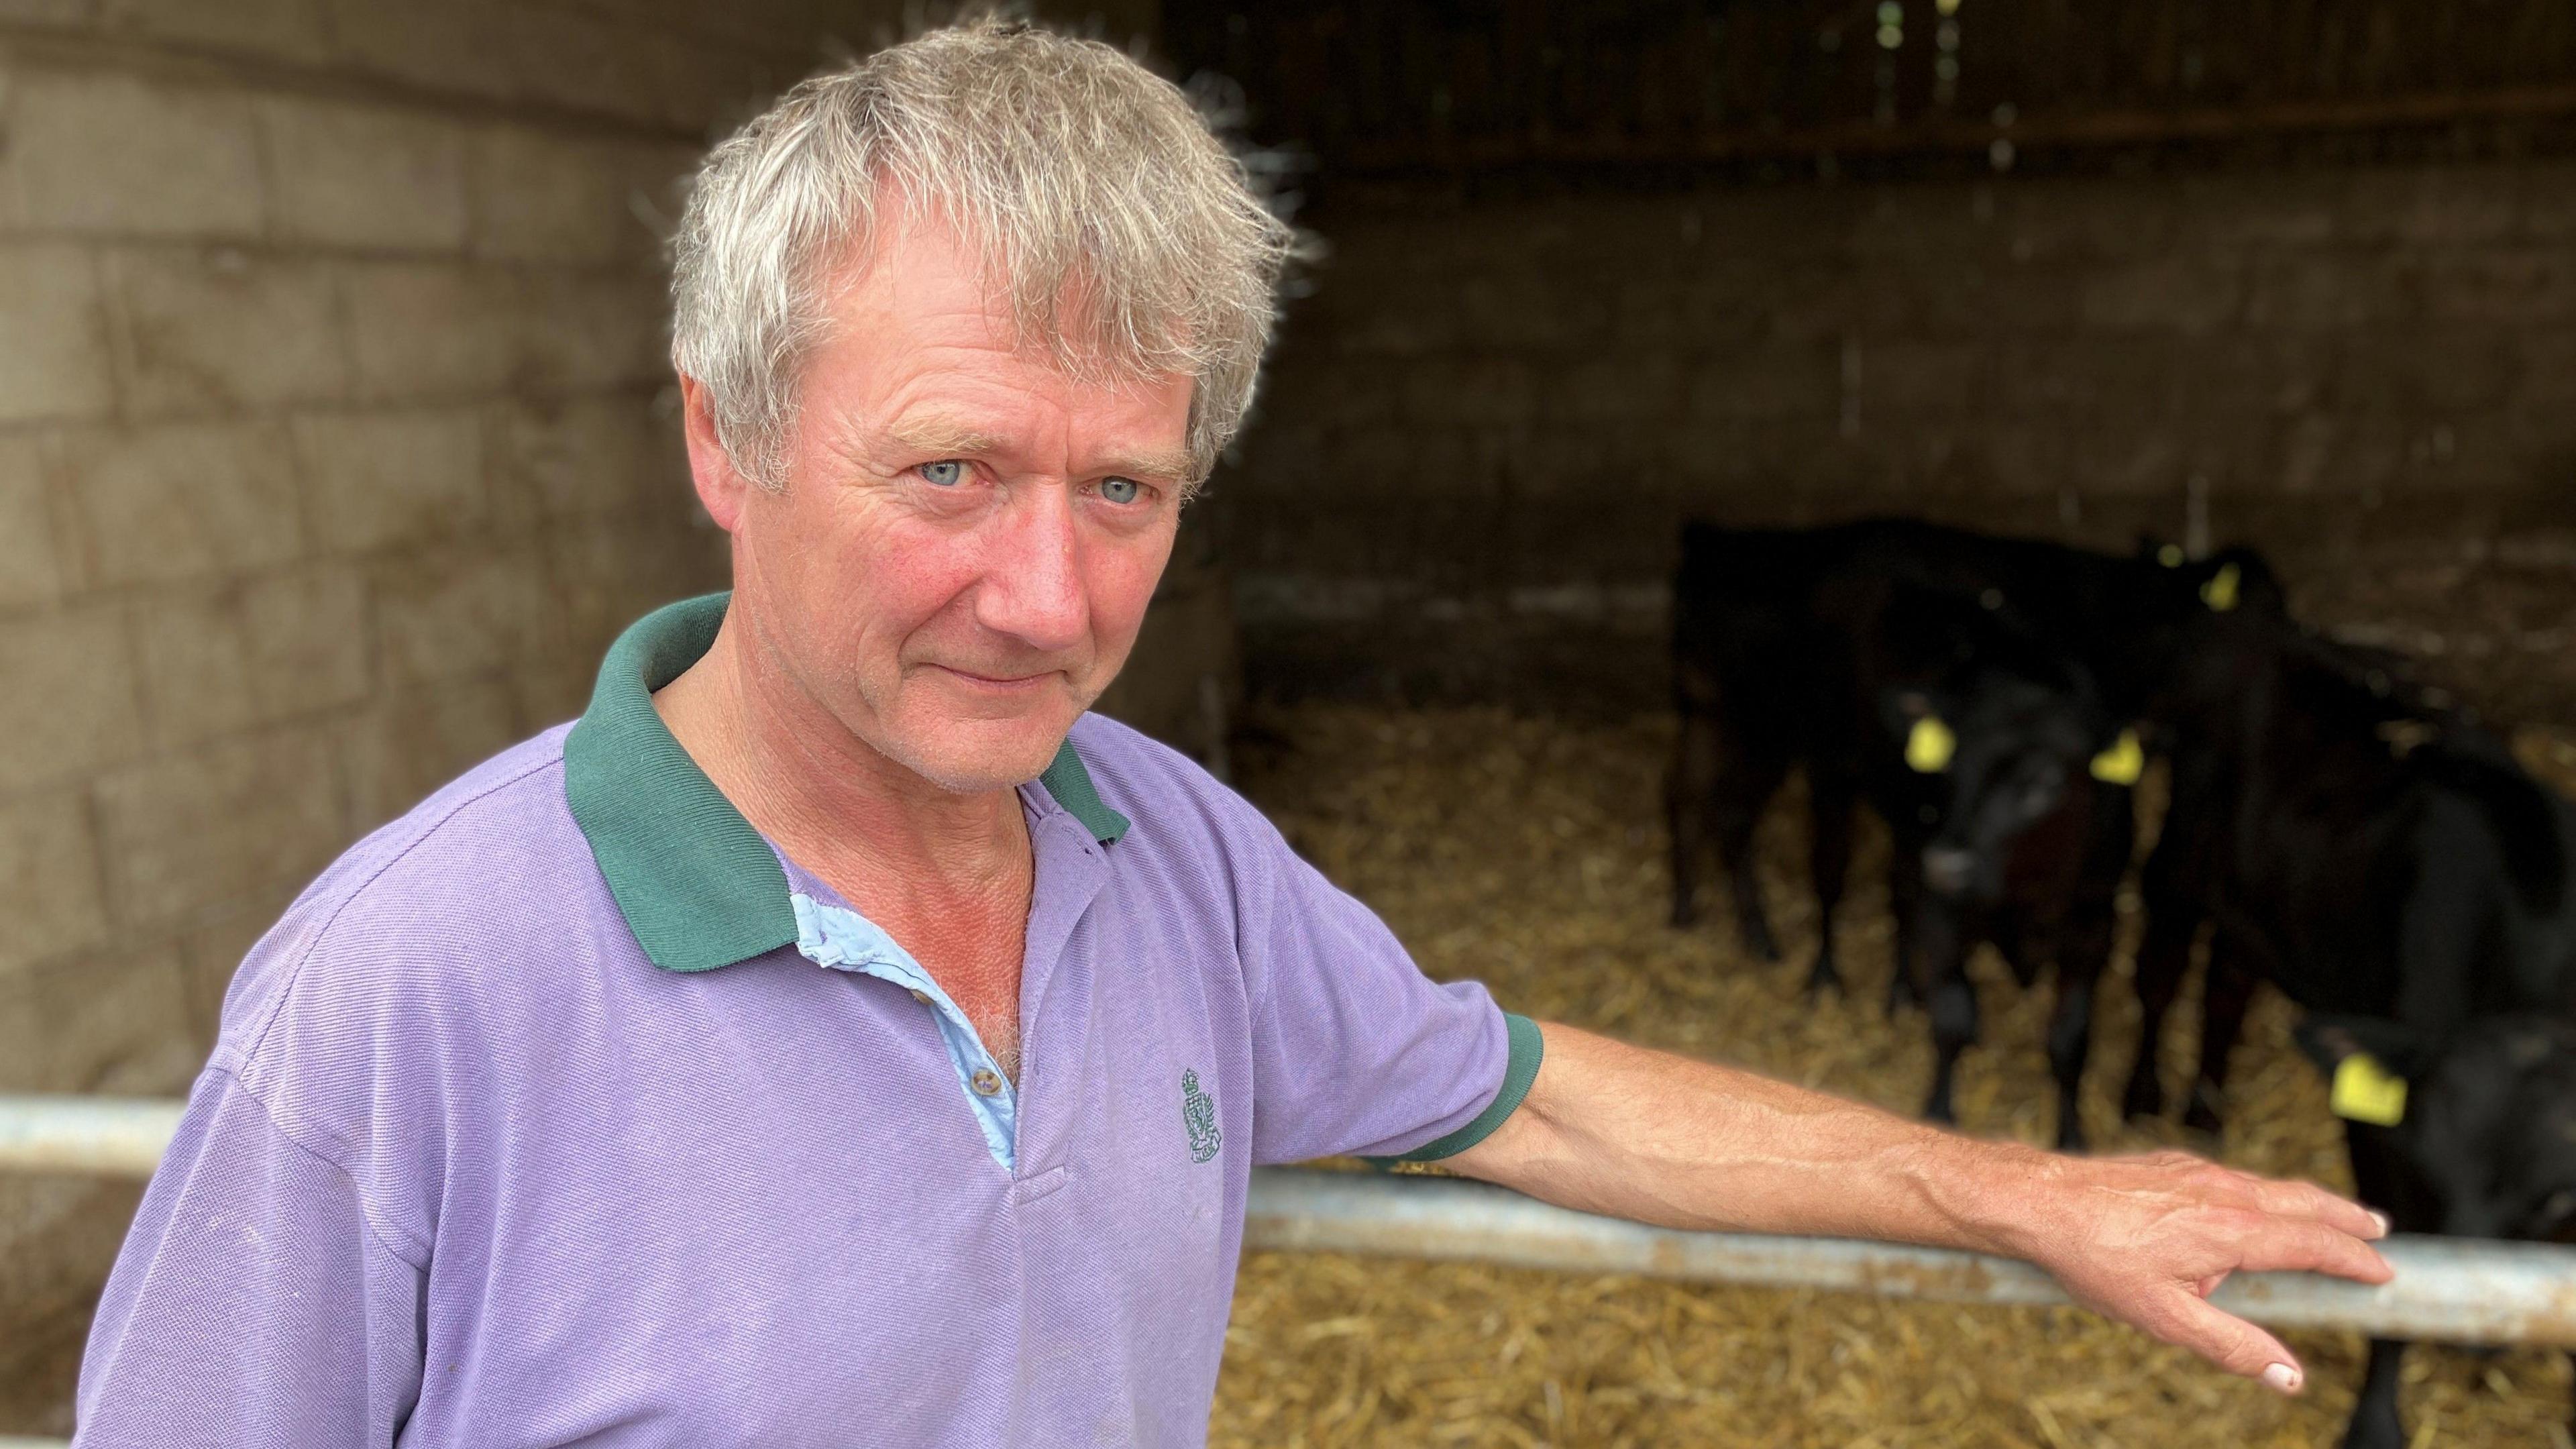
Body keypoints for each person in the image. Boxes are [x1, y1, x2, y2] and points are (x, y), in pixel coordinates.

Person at [72, 19, 2389, 1448]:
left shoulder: (1158, 851)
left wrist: (2016, 1187)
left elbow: (1525, 1087)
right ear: (726, 436)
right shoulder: (406, 1002)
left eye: (1127, 489)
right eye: (952, 472)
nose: (1055, 600)